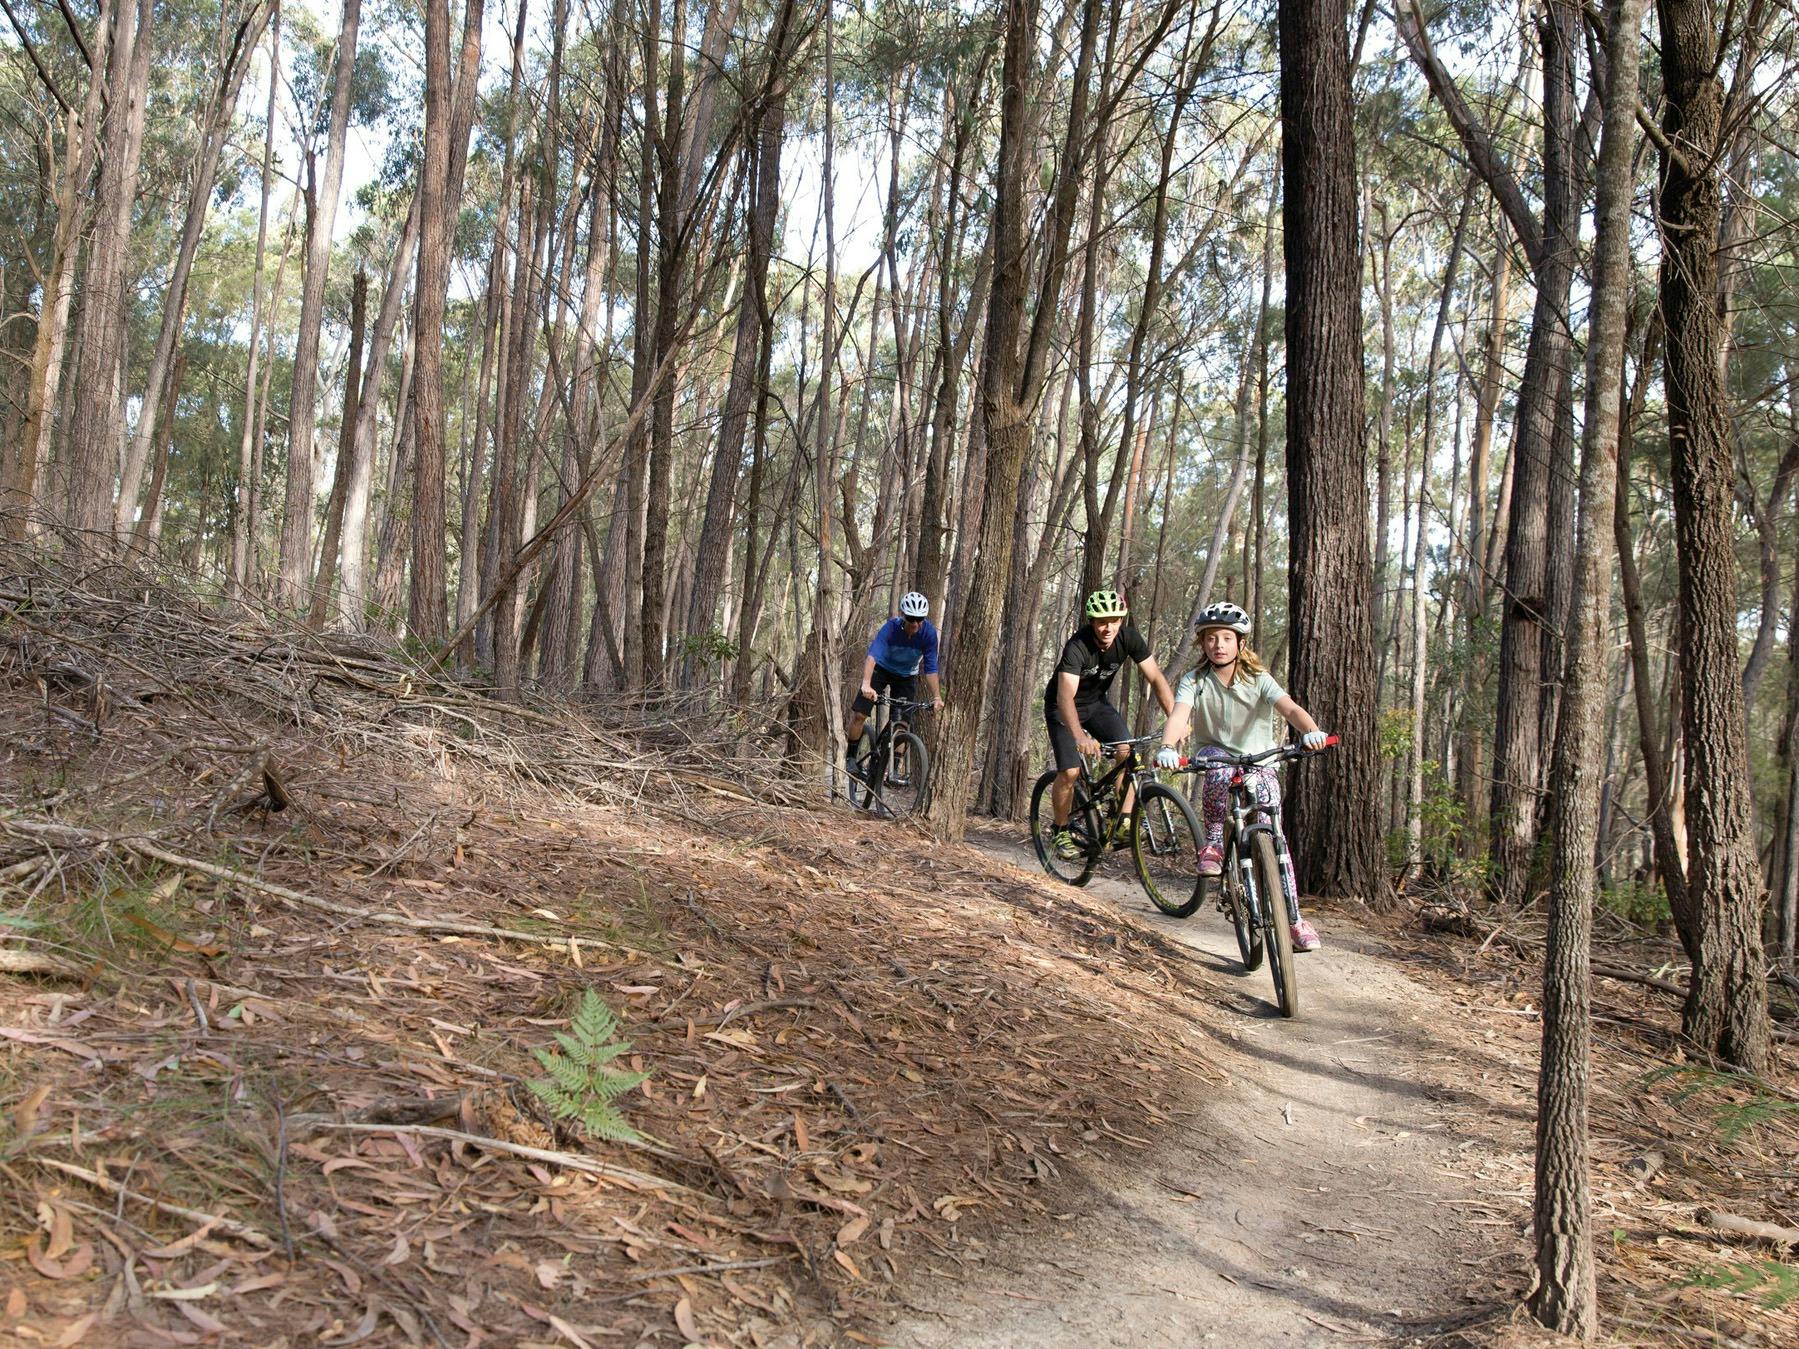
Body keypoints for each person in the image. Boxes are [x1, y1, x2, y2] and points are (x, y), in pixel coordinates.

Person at [1154, 600, 1328, 952]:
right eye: (1211, 638)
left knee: (1274, 831)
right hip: (1215, 753)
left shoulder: (1258, 679)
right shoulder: (1195, 681)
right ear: (1203, 644)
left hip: (1257, 760)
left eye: (1226, 638)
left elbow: (1290, 708)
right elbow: (1179, 714)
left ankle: (1293, 920)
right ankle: (1215, 841)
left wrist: (1311, 731)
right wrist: (1168, 745)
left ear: (1240, 643)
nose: (1219, 645)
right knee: (1217, 770)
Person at [1044, 589, 1176, 860]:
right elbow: (1065, 696)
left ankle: (1122, 819)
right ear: (1092, 622)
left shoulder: (1129, 639)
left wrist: (1176, 719)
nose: (1108, 627)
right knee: (1069, 772)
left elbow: (1157, 679)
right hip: (1062, 707)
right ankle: (1060, 829)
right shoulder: (1077, 646)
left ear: (1121, 619)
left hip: (1096, 704)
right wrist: (1080, 737)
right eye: (1102, 621)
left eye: (1114, 620)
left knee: (1126, 750)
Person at [846, 591, 943, 776]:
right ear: (903, 616)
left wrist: (937, 696)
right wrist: (866, 684)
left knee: (902, 725)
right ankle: (850, 758)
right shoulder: (891, 628)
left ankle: (894, 771)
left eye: (919, 619)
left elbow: (930, 668)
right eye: (911, 618)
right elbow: (873, 656)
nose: (915, 623)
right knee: (860, 714)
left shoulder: (929, 634)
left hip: (906, 676)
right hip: (881, 670)